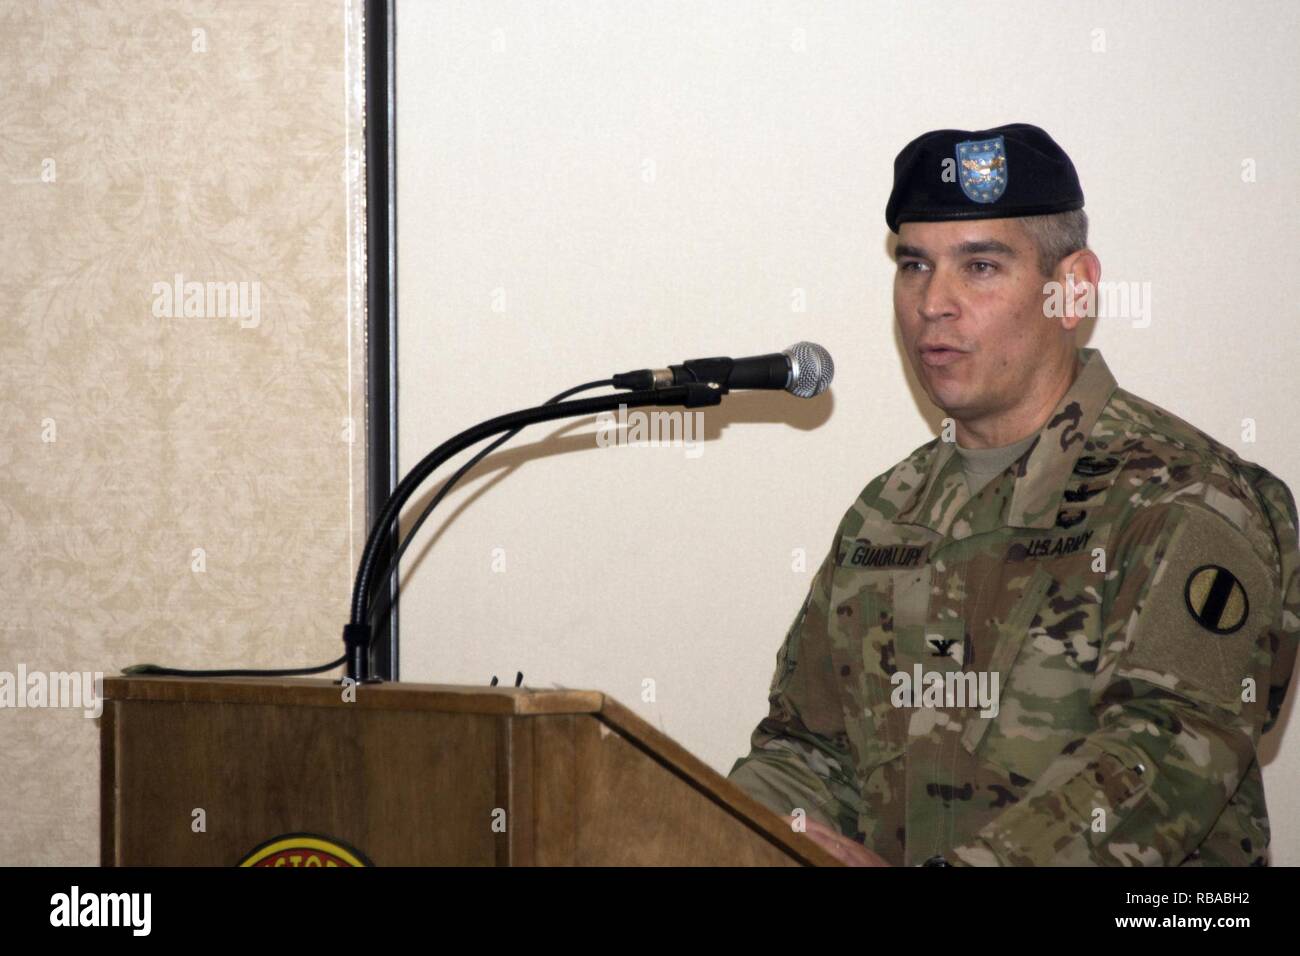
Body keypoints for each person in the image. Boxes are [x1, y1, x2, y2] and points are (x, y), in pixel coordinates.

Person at [727, 123, 1300, 866]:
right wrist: (752, 832)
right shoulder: (886, 512)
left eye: (982, 266)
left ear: (1074, 288)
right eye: (914, 265)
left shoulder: (1183, 497)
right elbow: (807, 745)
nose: (935, 302)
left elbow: (1165, 755)